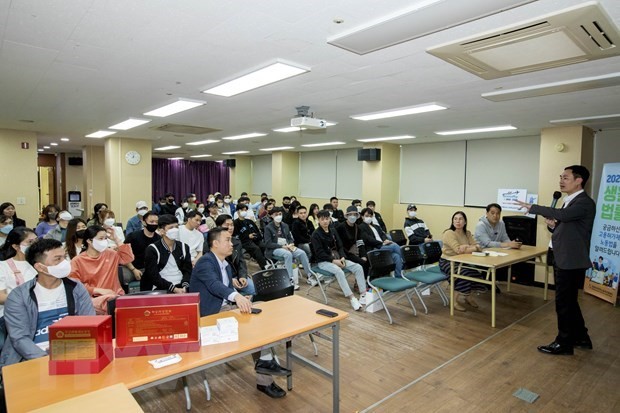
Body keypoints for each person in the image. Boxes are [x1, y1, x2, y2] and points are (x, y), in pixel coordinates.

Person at [189, 227, 289, 399]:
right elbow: (214, 285)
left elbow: (226, 290)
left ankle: (265, 364)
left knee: (260, 316)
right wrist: (236, 297)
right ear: (215, 244)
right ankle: (265, 372)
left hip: (225, 308)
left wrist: (243, 298)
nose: (231, 244)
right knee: (254, 328)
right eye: (227, 240)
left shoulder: (225, 265)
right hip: (208, 315)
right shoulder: (205, 262)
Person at [514, 165, 595, 356]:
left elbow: (564, 216)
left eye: (566, 177)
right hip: (563, 256)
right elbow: (566, 225)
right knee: (569, 302)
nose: (561, 180)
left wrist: (533, 207)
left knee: (564, 303)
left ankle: (564, 343)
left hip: (570, 260)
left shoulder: (584, 202)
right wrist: (553, 226)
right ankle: (581, 337)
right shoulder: (570, 201)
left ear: (578, 180)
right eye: (561, 177)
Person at [0, 239, 94, 370]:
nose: (64, 263)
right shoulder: (19, 296)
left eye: (64, 257)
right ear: (39, 267)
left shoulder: (76, 287)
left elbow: (89, 323)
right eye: (57, 259)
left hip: (72, 351)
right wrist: (47, 359)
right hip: (32, 357)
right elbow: (20, 338)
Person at [69, 225, 134, 314]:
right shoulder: (77, 261)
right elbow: (74, 285)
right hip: (92, 300)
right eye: (100, 238)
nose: (104, 241)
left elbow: (128, 258)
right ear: (89, 241)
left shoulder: (111, 254)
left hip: (115, 297)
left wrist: (117, 239)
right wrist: (98, 290)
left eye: (105, 238)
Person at [311, 210, 367, 310]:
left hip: (338, 258)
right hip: (324, 261)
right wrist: (333, 261)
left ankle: (363, 294)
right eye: (322, 219)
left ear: (330, 219)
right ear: (318, 220)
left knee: (358, 267)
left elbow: (340, 246)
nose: (325, 221)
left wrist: (342, 257)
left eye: (327, 219)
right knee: (339, 271)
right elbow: (320, 253)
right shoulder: (316, 234)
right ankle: (352, 298)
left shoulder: (333, 230)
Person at [438, 211, 484, 312]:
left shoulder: (467, 233)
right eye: (455, 219)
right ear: (452, 221)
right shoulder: (449, 233)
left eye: (460, 219)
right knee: (463, 274)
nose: (458, 221)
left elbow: (478, 246)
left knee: (476, 274)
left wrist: (469, 247)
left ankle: (468, 297)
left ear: (465, 222)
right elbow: (458, 250)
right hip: (447, 261)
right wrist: (471, 247)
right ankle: (454, 302)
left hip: (462, 261)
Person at [263, 207, 312, 290]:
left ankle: (310, 275)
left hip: (287, 246)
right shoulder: (268, 228)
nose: (279, 216)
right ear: (271, 216)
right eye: (276, 214)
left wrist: (290, 243)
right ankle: (290, 279)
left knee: (302, 253)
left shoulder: (285, 225)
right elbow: (268, 244)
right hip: (275, 249)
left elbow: (290, 238)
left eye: (280, 214)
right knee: (288, 254)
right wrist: (282, 247)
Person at [141, 214, 191, 293]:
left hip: (181, 285)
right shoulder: (152, 249)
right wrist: (174, 289)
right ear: (162, 231)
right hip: (160, 287)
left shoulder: (184, 247)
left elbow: (188, 271)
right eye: (171, 228)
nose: (175, 230)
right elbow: (153, 276)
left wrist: (185, 286)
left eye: (176, 227)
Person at [214, 214, 255, 296]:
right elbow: (214, 269)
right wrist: (230, 279)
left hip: (237, 276)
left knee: (255, 289)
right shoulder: (213, 243)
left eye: (232, 225)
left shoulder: (236, 241)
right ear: (218, 227)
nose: (230, 227)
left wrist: (242, 276)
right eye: (227, 225)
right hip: (221, 279)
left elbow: (241, 261)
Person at [0, 227, 38, 317]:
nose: (35, 244)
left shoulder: (42, 263)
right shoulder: (3, 266)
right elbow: (1, 296)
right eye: (30, 242)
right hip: (12, 314)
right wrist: (26, 299)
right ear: (16, 246)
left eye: (37, 240)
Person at [360, 207, 403, 277]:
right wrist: (381, 243)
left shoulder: (376, 226)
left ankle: (399, 277)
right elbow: (368, 239)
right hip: (375, 248)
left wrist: (385, 240)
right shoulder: (361, 227)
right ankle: (405, 260)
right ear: (362, 217)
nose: (369, 218)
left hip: (383, 246)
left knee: (396, 256)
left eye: (370, 216)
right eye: (367, 216)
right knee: (394, 245)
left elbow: (383, 234)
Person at [124, 211, 160, 283]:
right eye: (151, 222)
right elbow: (124, 254)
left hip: (150, 269)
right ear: (144, 222)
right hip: (132, 267)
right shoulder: (133, 236)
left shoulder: (159, 239)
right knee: (125, 277)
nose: (154, 224)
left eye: (156, 222)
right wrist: (133, 269)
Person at [335, 206, 369, 277]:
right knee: (362, 263)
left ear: (357, 216)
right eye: (350, 214)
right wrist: (348, 253)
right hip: (344, 253)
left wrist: (363, 255)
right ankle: (361, 283)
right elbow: (338, 244)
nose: (352, 216)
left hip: (354, 252)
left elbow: (360, 242)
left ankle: (367, 281)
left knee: (368, 260)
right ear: (347, 216)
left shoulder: (357, 228)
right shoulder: (340, 227)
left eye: (354, 214)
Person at [233, 203, 267, 270]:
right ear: (237, 211)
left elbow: (258, 232)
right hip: (244, 241)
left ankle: (267, 260)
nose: (244, 211)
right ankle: (264, 266)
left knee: (263, 245)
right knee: (256, 248)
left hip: (255, 239)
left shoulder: (250, 221)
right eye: (242, 210)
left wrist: (255, 235)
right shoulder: (235, 223)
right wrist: (248, 236)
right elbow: (236, 236)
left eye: (245, 210)